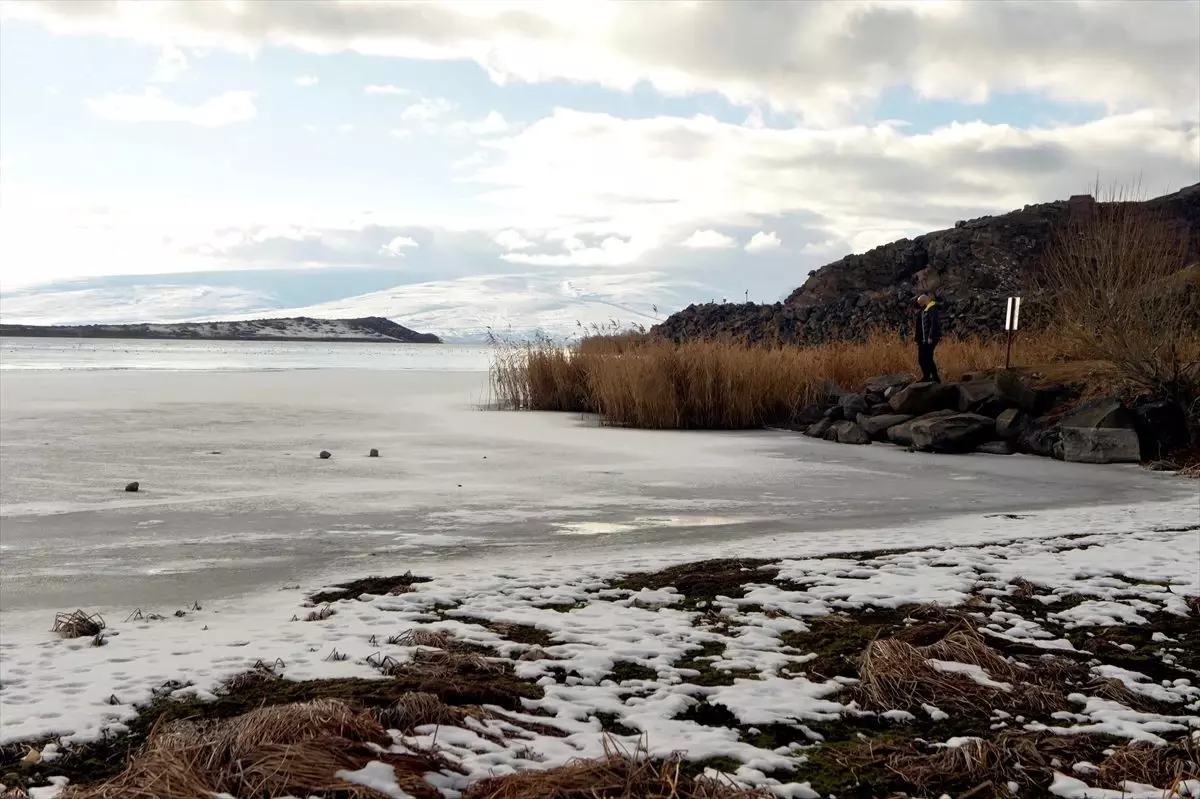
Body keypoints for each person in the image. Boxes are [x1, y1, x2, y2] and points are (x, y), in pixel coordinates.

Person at [915, 293, 942, 383]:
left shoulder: (932, 309)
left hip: (930, 338)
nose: (920, 305)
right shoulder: (925, 310)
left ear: (924, 301)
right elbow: (921, 326)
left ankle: (929, 376)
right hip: (925, 339)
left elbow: (934, 324)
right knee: (926, 358)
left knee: (925, 358)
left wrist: (930, 336)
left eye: (920, 303)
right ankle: (933, 377)